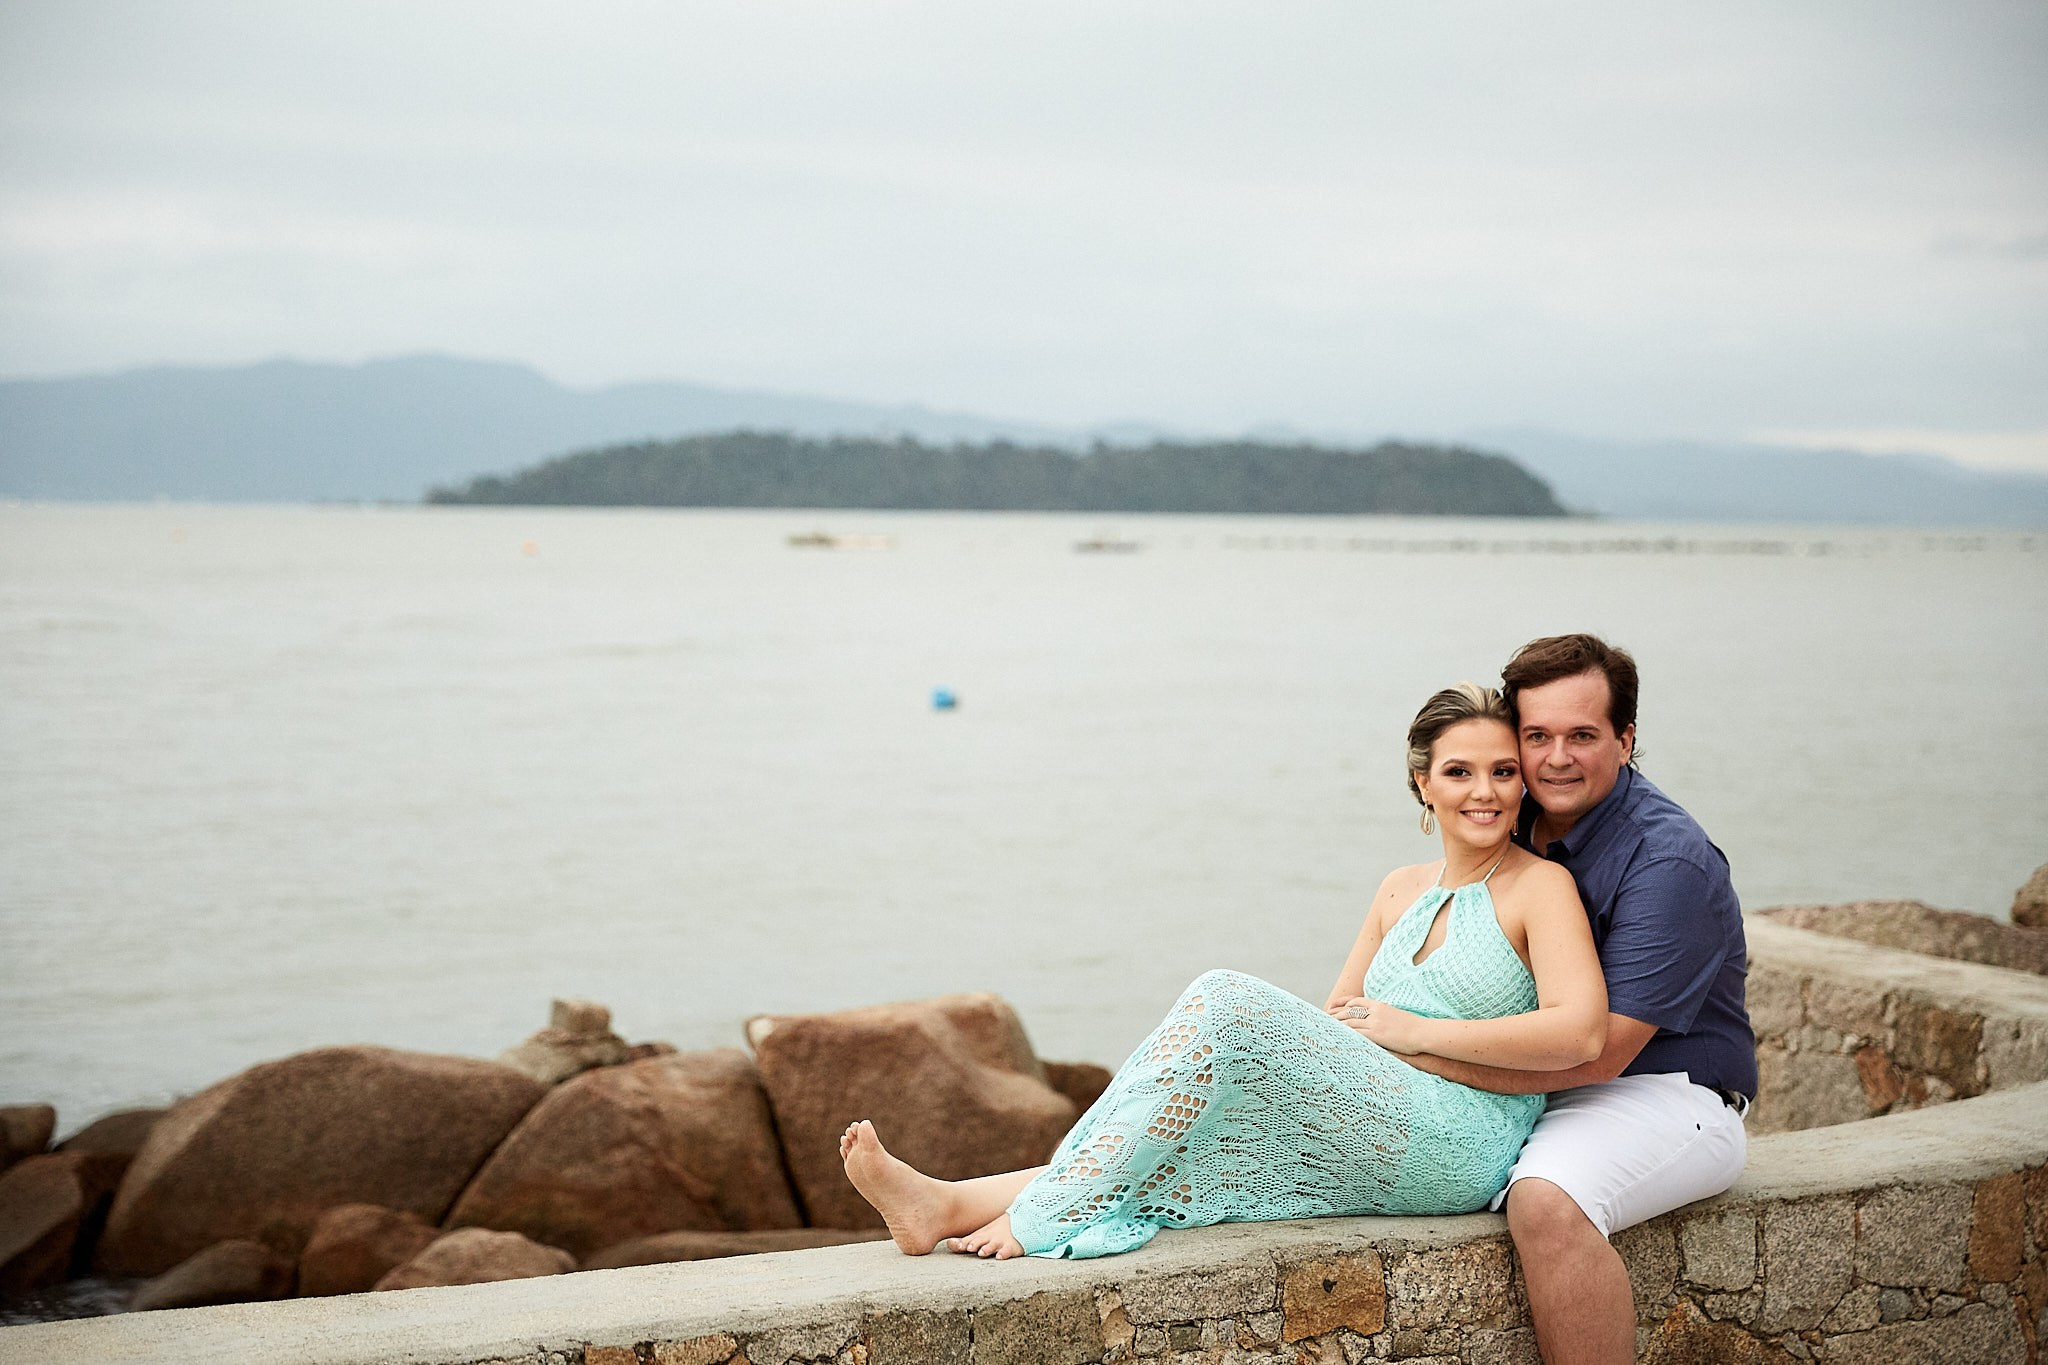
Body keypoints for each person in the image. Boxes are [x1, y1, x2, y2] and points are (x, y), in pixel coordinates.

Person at [838, 682, 1610, 1260]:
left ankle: (1041, 1215)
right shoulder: (1398, 888)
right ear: (1423, 783)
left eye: (1502, 771)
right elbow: (1335, 1019)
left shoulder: (1540, 887)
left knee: (1225, 1000)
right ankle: (945, 1204)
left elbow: (1578, 1032)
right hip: (1381, 1108)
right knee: (1187, 1124)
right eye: (1460, 771)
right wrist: (1377, 1041)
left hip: (1463, 1141)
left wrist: (1413, 1032)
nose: (1485, 791)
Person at [1395, 635, 1754, 1365]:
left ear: (1625, 740)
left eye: (1583, 736)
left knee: (1545, 1201)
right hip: (1538, 1080)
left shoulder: (1668, 861)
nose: (1556, 758)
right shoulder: (1512, 812)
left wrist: (1415, 1048)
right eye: (1537, 737)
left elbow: (1600, 1054)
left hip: (1667, 1091)